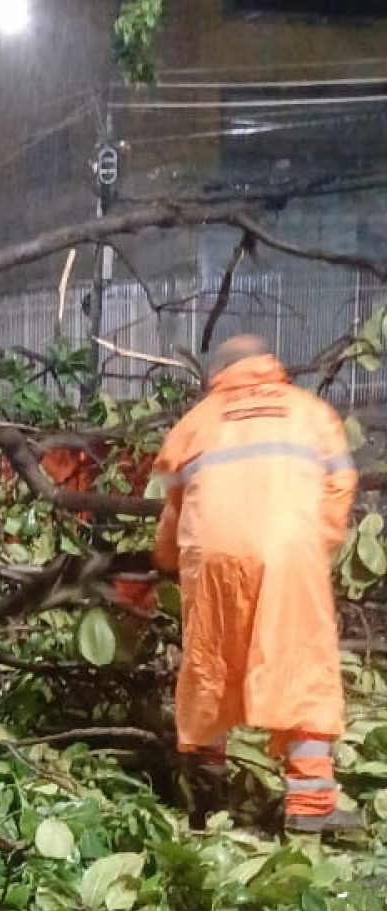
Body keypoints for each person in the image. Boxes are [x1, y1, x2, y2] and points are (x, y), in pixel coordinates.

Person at [153, 334, 359, 833]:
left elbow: (174, 511)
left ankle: (207, 798)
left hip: (212, 560)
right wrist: (314, 546)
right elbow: (340, 486)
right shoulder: (310, 413)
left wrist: (165, 561)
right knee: (302, 666)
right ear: (269, 364)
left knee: (209, 665)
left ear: (217, 374)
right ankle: (310, 804)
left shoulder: (195, 423)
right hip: (288, 553)